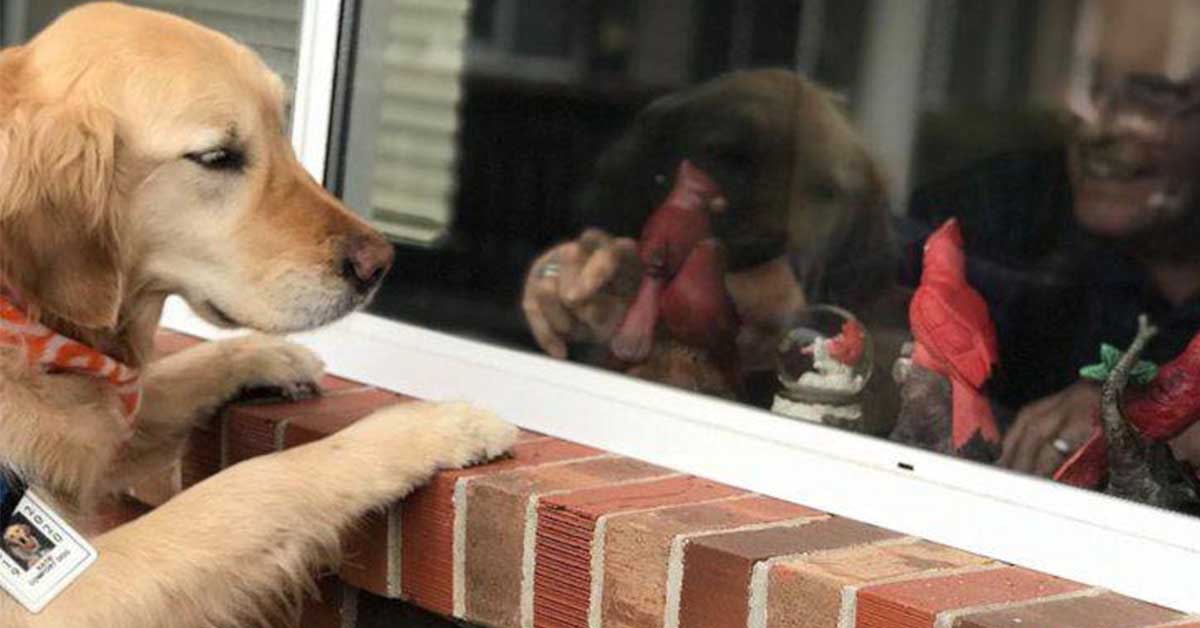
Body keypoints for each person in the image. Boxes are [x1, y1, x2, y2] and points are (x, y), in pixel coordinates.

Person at [907, 72, 1200, 476]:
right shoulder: (1015, 207)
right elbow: (887, 304)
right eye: (1093, 87)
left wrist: (1144, 417)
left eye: (1156, 96)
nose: (1100, 128)